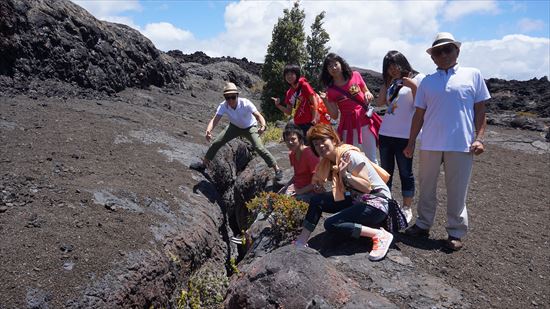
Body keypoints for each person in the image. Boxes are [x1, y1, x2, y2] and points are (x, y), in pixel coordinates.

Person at [403, 32, 491, 251]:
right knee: (426, 186)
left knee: (457, 190)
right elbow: (419, 114)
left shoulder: (473, 75)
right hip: (431, 142)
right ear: (432, 57)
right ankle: (423, 225)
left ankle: (455, 231)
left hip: (461, 144)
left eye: (447, 49)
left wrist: (480, 138)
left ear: (457, 51)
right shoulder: (427, 82)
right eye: (437, 51)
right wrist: (411, 142)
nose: (443, 54)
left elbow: (480, 110)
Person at [294, 123, 394, 261]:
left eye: (323, 141)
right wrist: (319, 188)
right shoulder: (329, 161)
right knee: (317, 200)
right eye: (316, 144)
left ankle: (378, 235)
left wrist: (345, 175)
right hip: (357, 198)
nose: (320, 146)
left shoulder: (349, 156)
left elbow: (367, 188)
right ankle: (301, 241)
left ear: (334, 140)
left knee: (331, 224)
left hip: (376, 203)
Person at [375, 51, 425, 223]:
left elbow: (423, 103)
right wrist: (386, 82)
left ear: (403, 62)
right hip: (385, 133)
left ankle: (406, 206)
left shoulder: (418, 79)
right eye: (388, 67)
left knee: (405, 172)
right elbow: (380, 102)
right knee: (385, 172)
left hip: (404, 135)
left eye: (395, 64)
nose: (393, 69)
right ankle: (386, 204)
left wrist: (412, 86)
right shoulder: (391, 83)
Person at [202, 82, 283, 180]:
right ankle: (203, 165)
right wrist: (208, 131)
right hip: (234, 127)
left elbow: (258, 116)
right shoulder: (223, 105)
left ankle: (277, 169)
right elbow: (215, 119)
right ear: (225, 97)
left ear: (237, 95)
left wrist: (263, 126)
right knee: (216, 142)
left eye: (233, 97)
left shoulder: (245, 103)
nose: (230, 100)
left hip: (250, 127)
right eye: (227, 97)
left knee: (259, 148)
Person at [319, 53, 380, 164]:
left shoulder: (355, 75)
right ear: (326, 70)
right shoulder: (330, 90)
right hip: (348, 125)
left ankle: (376, 181)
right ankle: (358, 181)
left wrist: (368, 94)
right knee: (352, 158)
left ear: (341, 64)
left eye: (335, 64)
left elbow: (366, 90)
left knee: (372, 158)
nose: (333, 68)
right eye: (329, 66)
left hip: (365, 120)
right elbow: (334, 115)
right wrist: (325, 101)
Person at [272, 64, 324, 138]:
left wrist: (315, 118)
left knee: (311, 146)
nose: (289, 76)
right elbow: (288, 111)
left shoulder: (304, 85)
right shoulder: (289, 93)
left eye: (292, 74)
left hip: (310, 122)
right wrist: (278, 105)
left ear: (297, 74)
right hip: (298, 124)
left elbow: (314, 101)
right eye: (287, 74)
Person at [279, 122, 319, 202]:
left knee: (287, 203)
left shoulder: (310, 154)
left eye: (293, 139)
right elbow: (297, 175)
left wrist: (298, 191)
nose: (290, 142)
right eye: (287, 140)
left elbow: (317, 182)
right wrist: (286, 186)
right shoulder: (292, 154)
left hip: (311, 192)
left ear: (300, 139)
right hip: (297, 188)